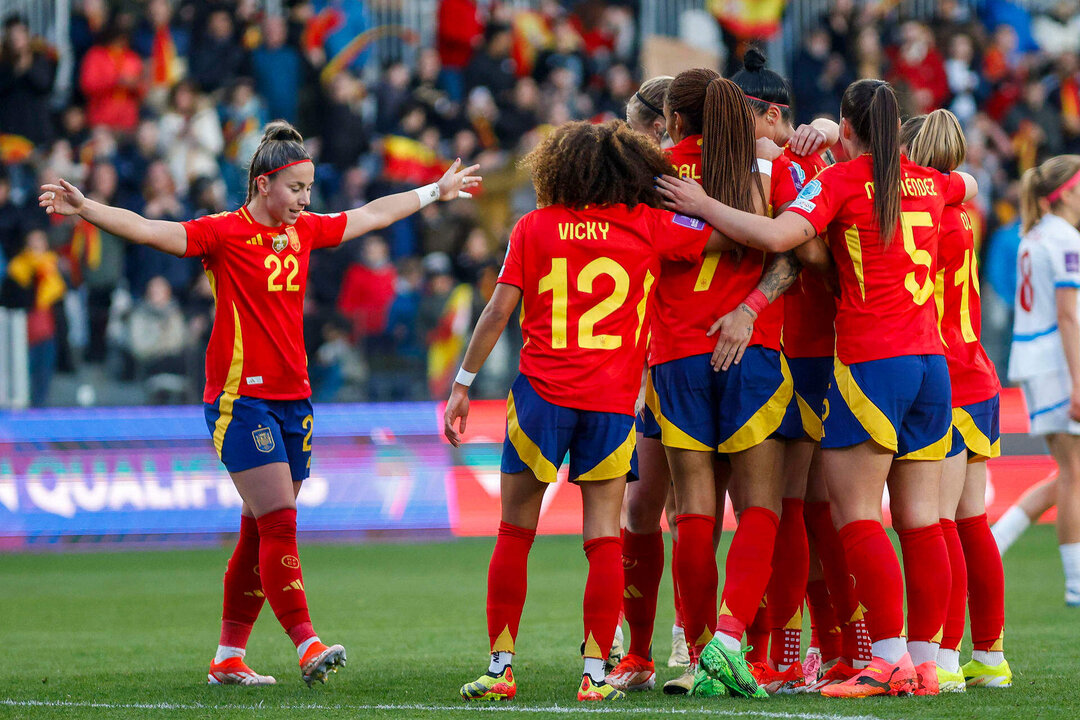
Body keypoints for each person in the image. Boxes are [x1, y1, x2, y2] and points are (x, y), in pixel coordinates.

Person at [40, 120, 480, 686]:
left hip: (295, 400)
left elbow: (370, 214)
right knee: (279, 520)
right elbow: (153, 230)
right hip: (240, 401)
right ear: (264, 183)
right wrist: (89, 208)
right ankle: (306, 642)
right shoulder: (222, 233)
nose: (304, 200)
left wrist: (432, 192)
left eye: (309, 190)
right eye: (295, 188)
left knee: (257, 529)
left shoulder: (304, 233)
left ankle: (228, 657)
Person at [657, 78, 978, 698]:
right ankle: (928, 662)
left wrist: (702, 205)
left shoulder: (841, 181)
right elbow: (969, 183)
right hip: (930, 365)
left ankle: (883, 660)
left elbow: (779, 238)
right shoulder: (933, 183)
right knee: (921, 523)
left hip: (868, 361)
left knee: (852, 515)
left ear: (847, 126)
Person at [443, 119, 726, 703]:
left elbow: (496, 312)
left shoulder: (534, 227)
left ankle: (500, 669)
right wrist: (705, 200)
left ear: (559, 171)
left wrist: (463, 384)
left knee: (514, 531)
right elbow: (728, 238)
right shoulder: (649, 226)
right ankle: (596, 675)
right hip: (612, 406)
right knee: (603, 537)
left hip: (541, 399)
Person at [647, 69, 804, 700]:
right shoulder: (768, 171)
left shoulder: (652, 173)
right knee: (760, 506)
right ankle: (731, 643)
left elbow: (641, 250)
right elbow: (793, 256)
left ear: (677, 120)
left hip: (678, 353)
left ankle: (693, 652)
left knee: (693, 512)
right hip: (753, 350)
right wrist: (750, 307)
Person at [728, 47, 853, 694]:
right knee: (799, 510)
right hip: (790, 351)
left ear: (772, 115)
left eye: (736, 115)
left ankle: (799, 650)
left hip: (804, 353)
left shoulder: (802, 164)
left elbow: (810, 252)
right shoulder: (803, 160)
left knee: (798, 508)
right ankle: (823, 650)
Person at [902, 109, 1012, 690]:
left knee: (935, 523)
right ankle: (989, 657)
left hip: (941, 376)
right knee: (972, 522)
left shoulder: (926, 216)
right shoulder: (965, 211)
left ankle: (943, 658)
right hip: (977, 371)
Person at [1006, 153, 1080, 609]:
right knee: (1074, 474)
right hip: (1058, 362)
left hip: (1036, 358)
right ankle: (1075, 583)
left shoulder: (1034, 236)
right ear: (1067, 192)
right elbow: (1069, 314)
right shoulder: (1066, 239)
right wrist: (1078, 382)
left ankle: (994, 542)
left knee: (1069, 473)